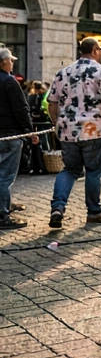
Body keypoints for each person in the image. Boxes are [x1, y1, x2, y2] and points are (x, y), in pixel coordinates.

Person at [46, 38, 101, 228]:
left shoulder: (63, 72)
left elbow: (52, 103)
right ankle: (94, 212)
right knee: (93, 171)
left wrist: (57, 123)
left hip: (68, 131)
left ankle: (58, 207)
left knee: (70, 170)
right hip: (96, 130)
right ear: (94, 50)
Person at [0, 47, 33, 228]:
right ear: (4, 62)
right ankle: (2, 215)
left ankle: (5, 206)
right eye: (10, 60)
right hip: (9, 135)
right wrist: (30, 132)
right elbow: (21, 109)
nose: (12, 63)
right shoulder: (10, 82)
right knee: (5, 176)